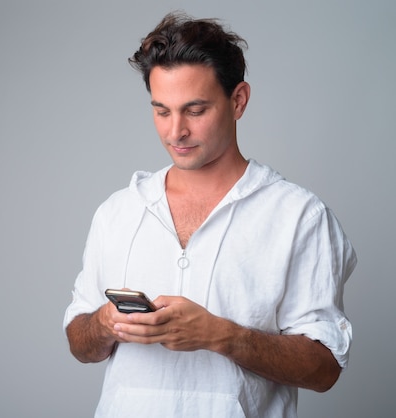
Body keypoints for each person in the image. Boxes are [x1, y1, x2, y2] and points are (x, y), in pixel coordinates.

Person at [63, 11, 357, 418]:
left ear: (238, 101)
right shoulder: (119, 211)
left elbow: (324, 369)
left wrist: (222, 336)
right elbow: (79, 341)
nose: (175, 131)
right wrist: (106, 322)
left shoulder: (298, 216)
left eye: (195, 110)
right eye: (162, 111)